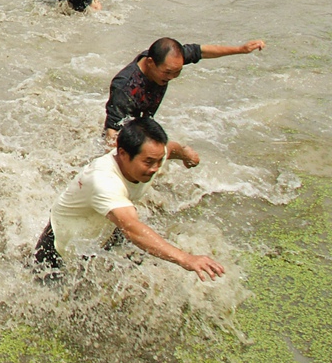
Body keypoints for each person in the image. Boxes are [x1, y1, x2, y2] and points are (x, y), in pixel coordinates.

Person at [34, 117, 225, 281]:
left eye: (159, 161)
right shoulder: (103, 181)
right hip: (61, 243)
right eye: (149, 162)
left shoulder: (152, 154)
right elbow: (132, 228)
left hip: (104, 228)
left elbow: (170, 149)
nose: (155, 168)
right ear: (123, 154)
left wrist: (185, 155)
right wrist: (186, 259)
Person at [104, 37, 265, 167]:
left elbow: (201, 51)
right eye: (167, 72)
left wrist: (240, 49)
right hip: (130, 125)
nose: (171, 77)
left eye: (177, 72)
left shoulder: (170, 59)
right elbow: (112, 134)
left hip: (144, 118)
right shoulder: (125, 87)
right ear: (150, 63)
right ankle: (181, 153)